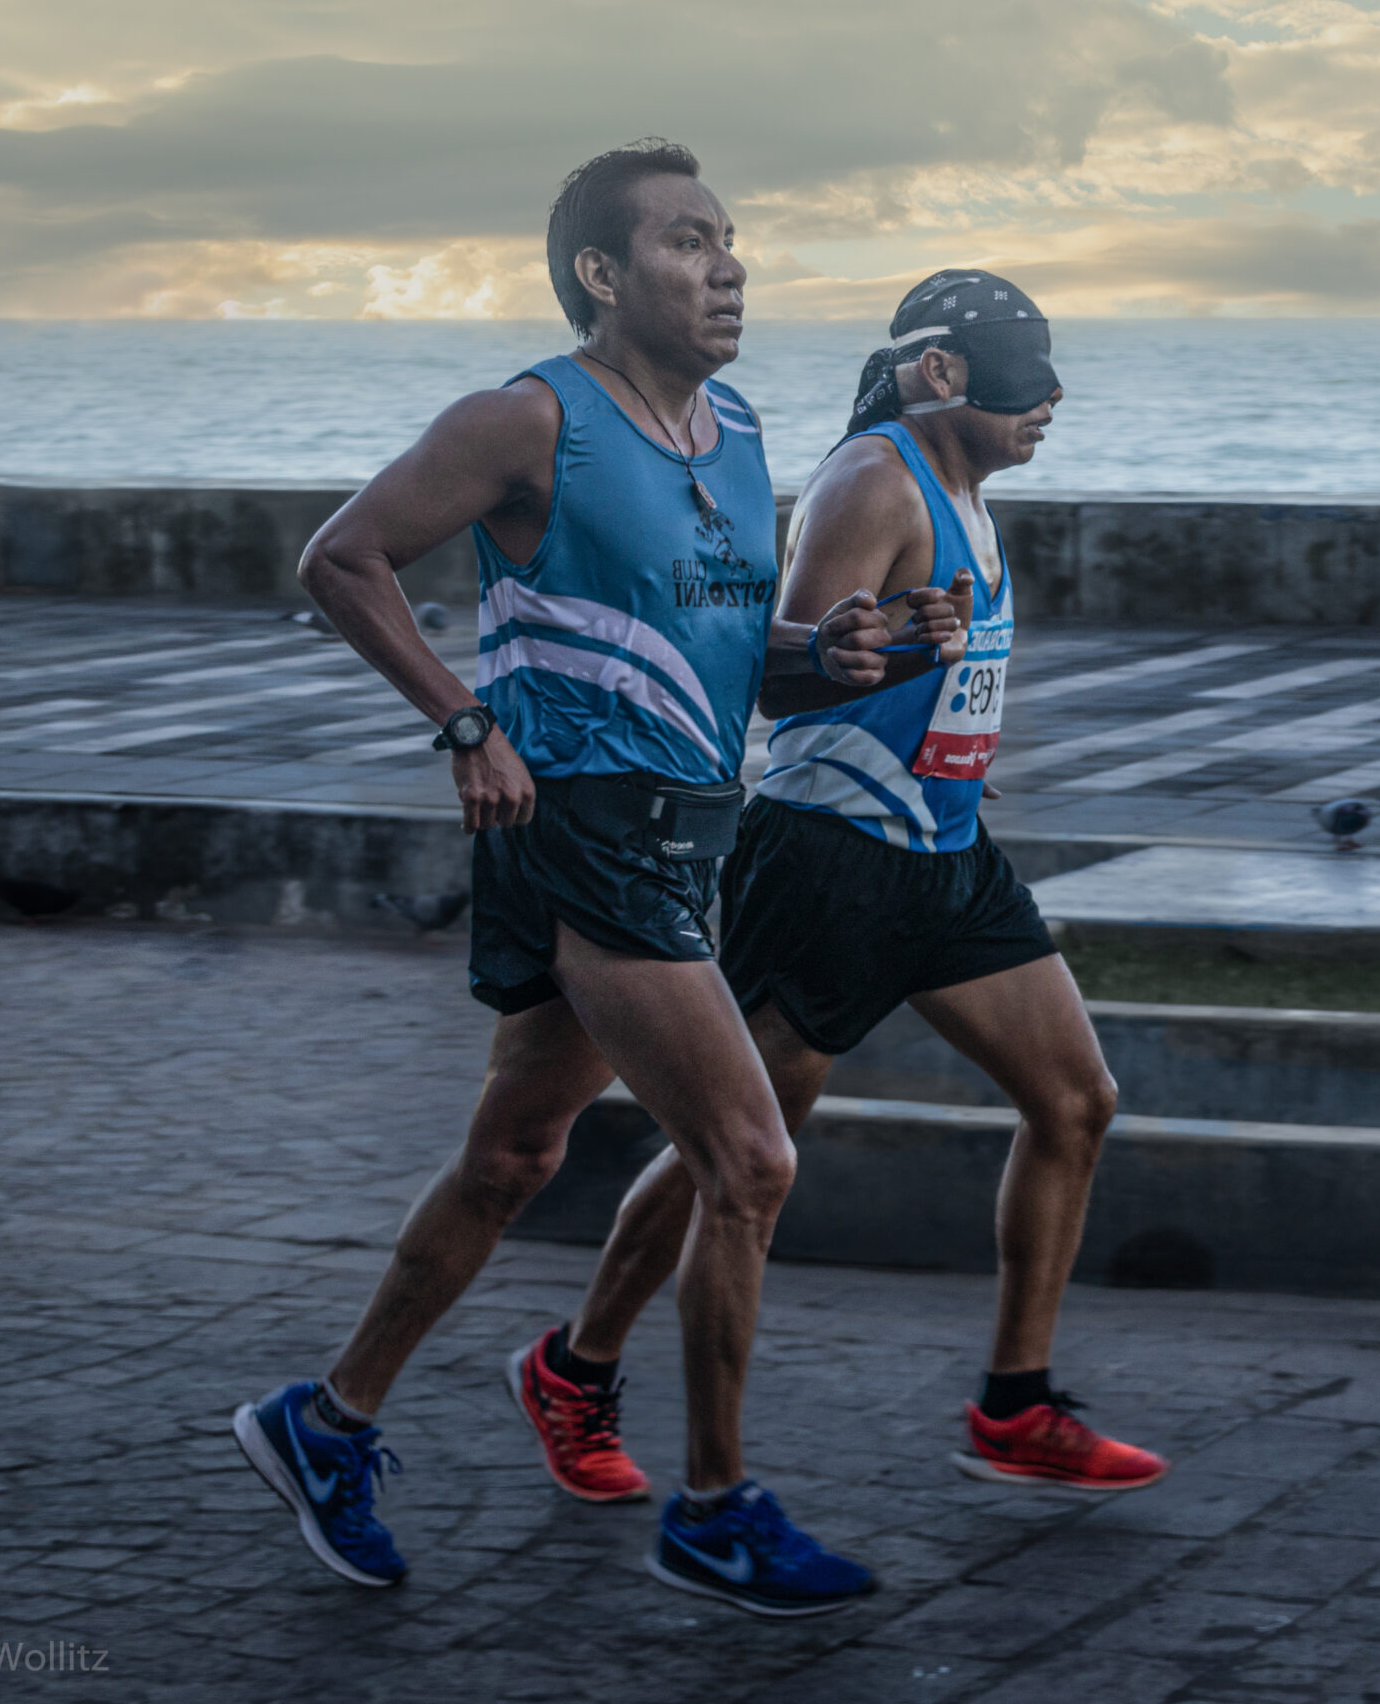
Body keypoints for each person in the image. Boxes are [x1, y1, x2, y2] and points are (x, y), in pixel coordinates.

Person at [231, 141, 958, 1618]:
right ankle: (713, 1508)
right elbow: (343, 556)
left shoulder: (741, 433)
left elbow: (733, 666)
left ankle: (329, 1418)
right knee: (749, 1158)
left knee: (513, 1157)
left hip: (694, 826)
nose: (729, 264)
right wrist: (464, 718)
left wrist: (848, 656)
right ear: (602, 275)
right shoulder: (527, 418)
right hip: (583, 824)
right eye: (689, 242)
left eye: (733, 238)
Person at [506, 271, 1169, 1511]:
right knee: (738, 1158)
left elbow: (928, 670)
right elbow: (788, 678)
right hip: (826, 863)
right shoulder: (876, 477)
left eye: (1052, 378)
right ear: (939, 375)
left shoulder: (965, 486)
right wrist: (894, 648)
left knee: (1075, 1101)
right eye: (1023, 381)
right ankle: (576, 1370)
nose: (1050, 403)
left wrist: (935, 676)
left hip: (947, 858)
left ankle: (1015, 1406)